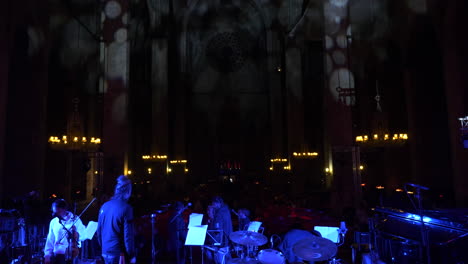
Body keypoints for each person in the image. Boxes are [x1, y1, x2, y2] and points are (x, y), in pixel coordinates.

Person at [97, 175, 136, 264]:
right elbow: (128, 236)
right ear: (128, 191)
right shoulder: (127, 208)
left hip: (105, 251)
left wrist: (103, 248)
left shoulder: (104, 206)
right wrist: (132, 254)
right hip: (119, 254)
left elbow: (99, 231)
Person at [44, 198, 86, 264]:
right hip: (58, 256)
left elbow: (83, 235)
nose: (55, 214)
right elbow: (50, 239)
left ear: (64, 209)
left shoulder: (75, 219)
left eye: (58, 212)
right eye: (54, 212)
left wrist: (76, 234)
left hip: (73, 254)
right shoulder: (54, 222)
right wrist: (47, 255)